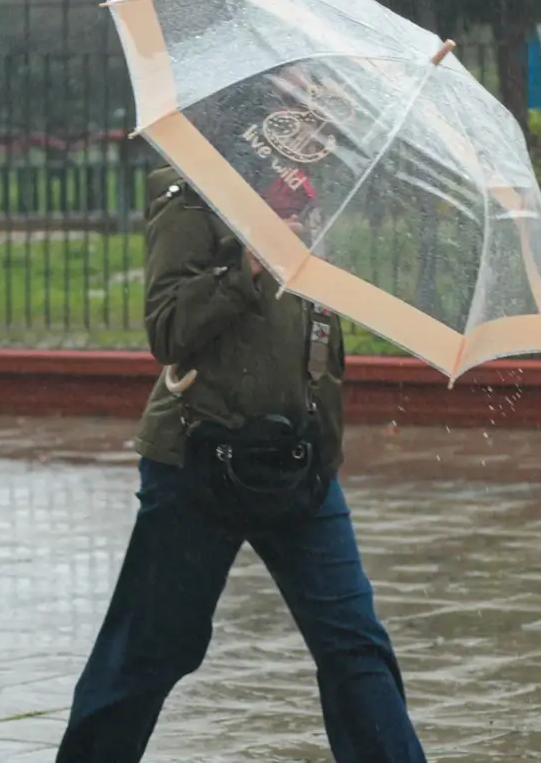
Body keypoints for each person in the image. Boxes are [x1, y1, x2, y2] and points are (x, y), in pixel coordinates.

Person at [55, 161, 426, 763]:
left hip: (300, 462)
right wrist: (247, 266)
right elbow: (167, 328)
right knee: (152, 647)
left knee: (354, 643)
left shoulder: (313, 196)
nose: (308, 103)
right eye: (295, 87)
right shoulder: (191, 192)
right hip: (199, 458)